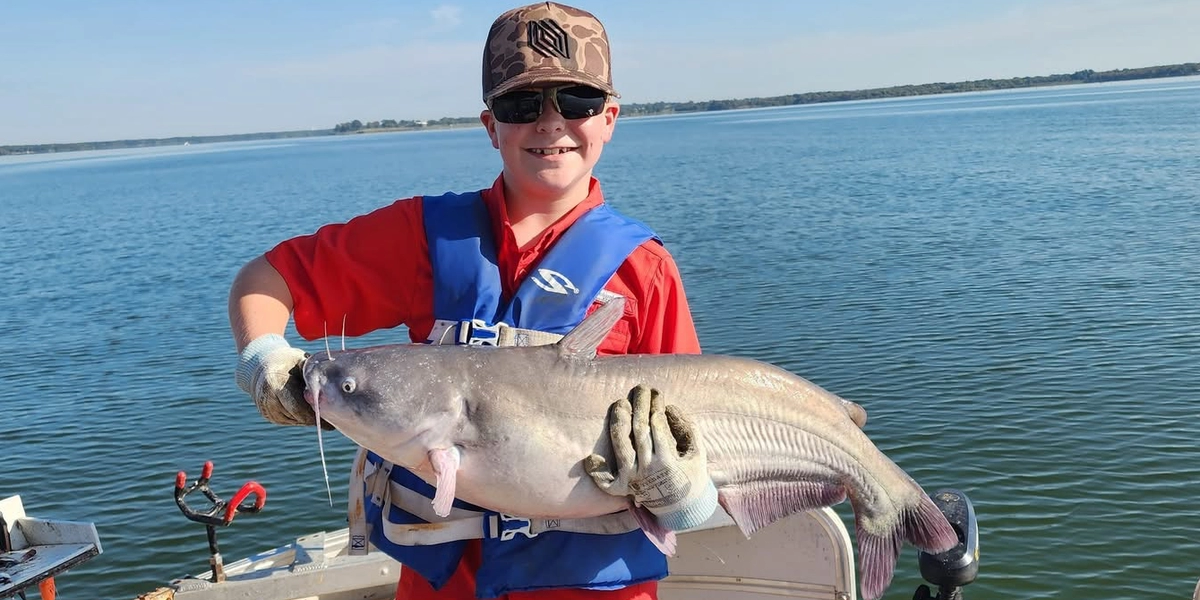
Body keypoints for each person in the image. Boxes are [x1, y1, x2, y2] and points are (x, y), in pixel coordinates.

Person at [228, 2, 715, 599]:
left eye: (578, 102)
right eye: (521, 105)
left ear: (609, 117)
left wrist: (688, 496)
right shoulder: (426, 239)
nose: (551, 123)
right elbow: (267, 278)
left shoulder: (646, 272)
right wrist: (264, 355)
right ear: (491, 125)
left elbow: (702, 426)